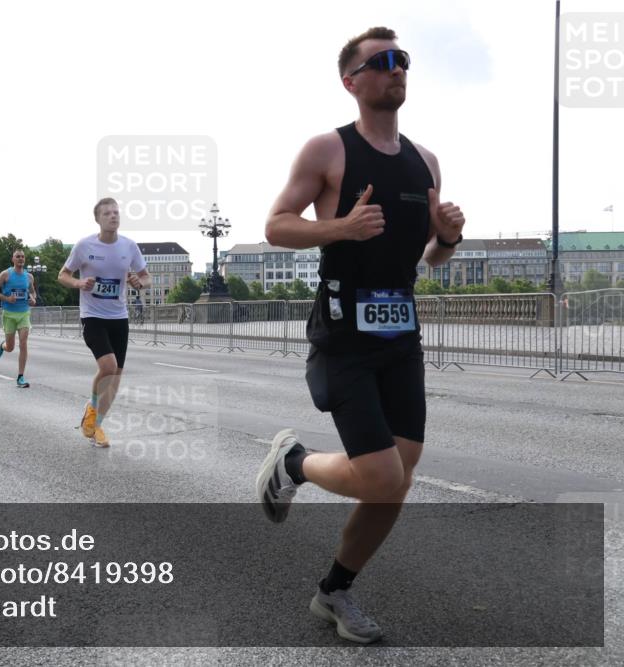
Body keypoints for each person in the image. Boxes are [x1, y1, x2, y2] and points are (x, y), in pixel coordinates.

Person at [255, 27, 465, 644]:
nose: (396, 69)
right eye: (382, 62)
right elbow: (275, 226)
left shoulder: (425, 161)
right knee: (381, 479)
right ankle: (293, 461)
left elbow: (430, 260)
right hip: (344, 336)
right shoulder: (328, 150)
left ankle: (335, 589)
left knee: (396, 481)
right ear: (352, 81)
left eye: (402, 60)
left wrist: (448, 237)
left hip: (401, 336)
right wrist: (341, 228)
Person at [58, 197, 150, 447]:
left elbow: (146, 276)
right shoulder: (84, 246)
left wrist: (139, 283)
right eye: (108, 213)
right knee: (108, 366)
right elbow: (63, 275)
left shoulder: (129, 246)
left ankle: (96, 424)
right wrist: (78, 283)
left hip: (119, 317)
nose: (113, 216)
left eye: (116, 212)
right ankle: (92, 409)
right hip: (93, 316)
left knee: (115, 377)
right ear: (97, 219)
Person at [0, 249, 37, 388]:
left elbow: (32, 291)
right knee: (10, 347)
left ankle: (20, 377)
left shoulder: (29, 277)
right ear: (13, 259)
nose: (21, 259)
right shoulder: (6, 274)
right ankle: (2, 346)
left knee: (23, 343)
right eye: (18, 257)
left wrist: (33, 299)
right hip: (9, 314)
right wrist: (7, 298)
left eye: (22, 257)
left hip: (24, 313)